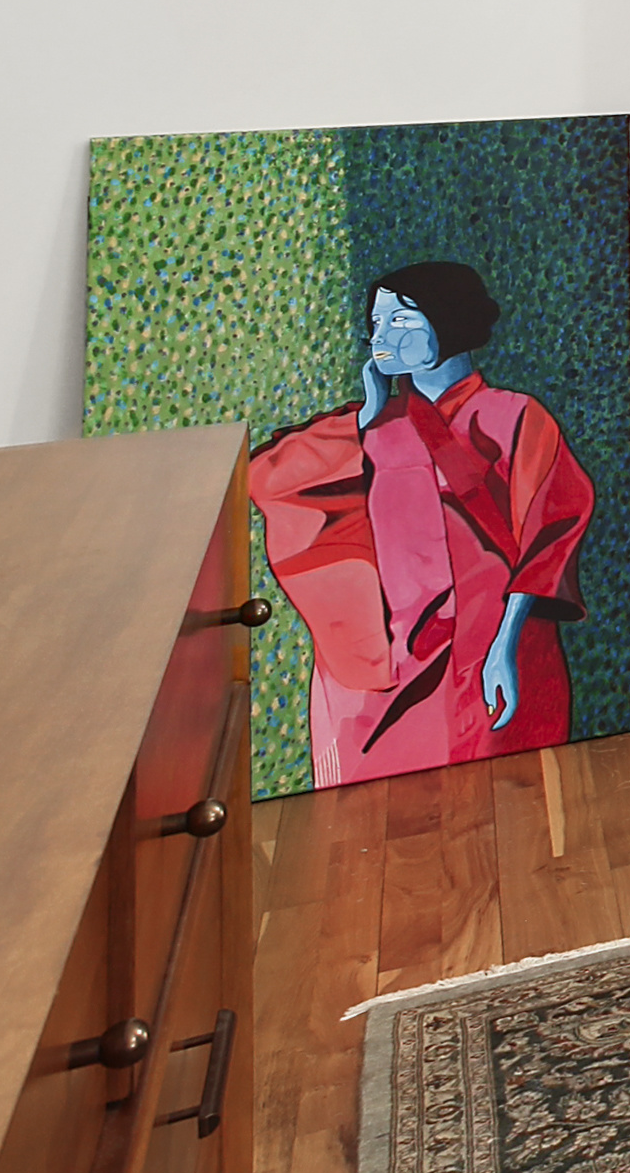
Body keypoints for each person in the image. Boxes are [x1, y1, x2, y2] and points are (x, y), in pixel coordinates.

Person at [248, 262, 595, 787]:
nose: (380, 337)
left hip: (487, 641)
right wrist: (364, 417)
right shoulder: (367, 425)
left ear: (448, 321)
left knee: (501, 785)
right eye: (375, 324)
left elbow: (551, 529)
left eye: (399, 321)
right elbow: (267, 480)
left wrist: (505, 645)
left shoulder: (514, 416)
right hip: (384, 656)